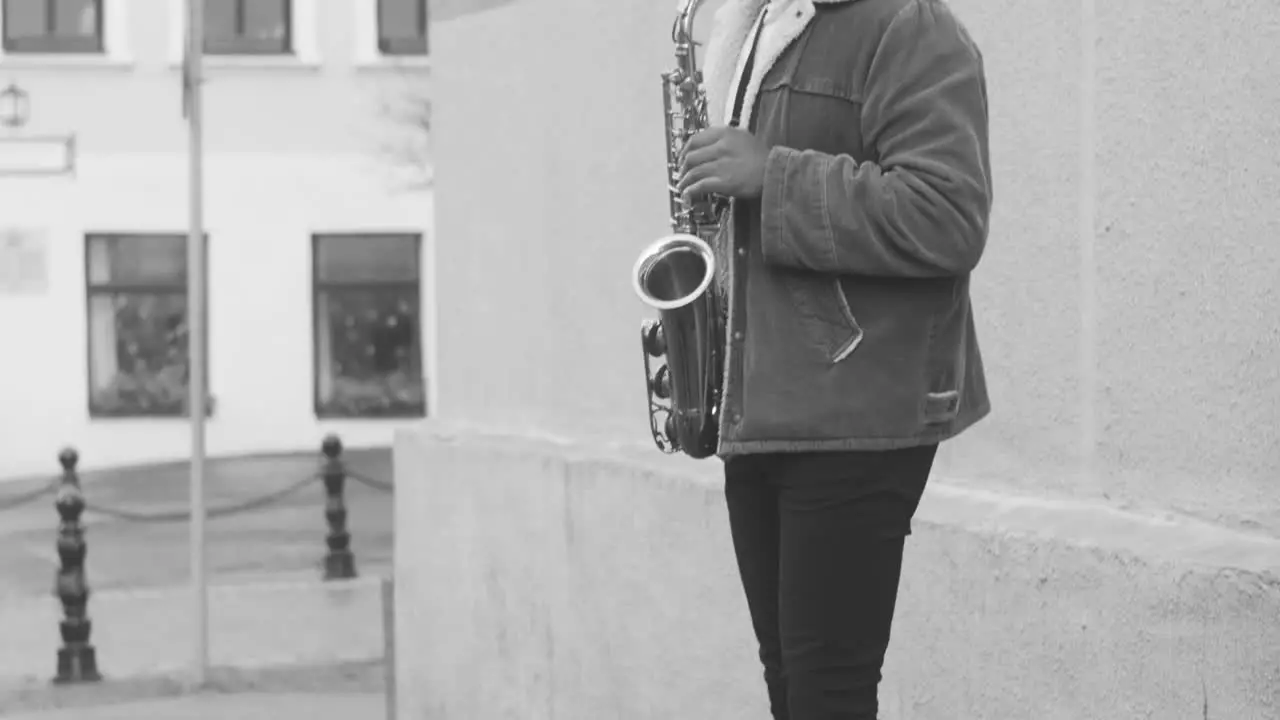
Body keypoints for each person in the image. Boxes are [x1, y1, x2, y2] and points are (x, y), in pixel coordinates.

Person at [675, 0, 993, 717]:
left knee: (828, 691)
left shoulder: (910, 27)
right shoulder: (762, 24)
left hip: (857, 406)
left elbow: (949, 216)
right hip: (762, 403)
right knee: (791, 681)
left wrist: (771, 175)